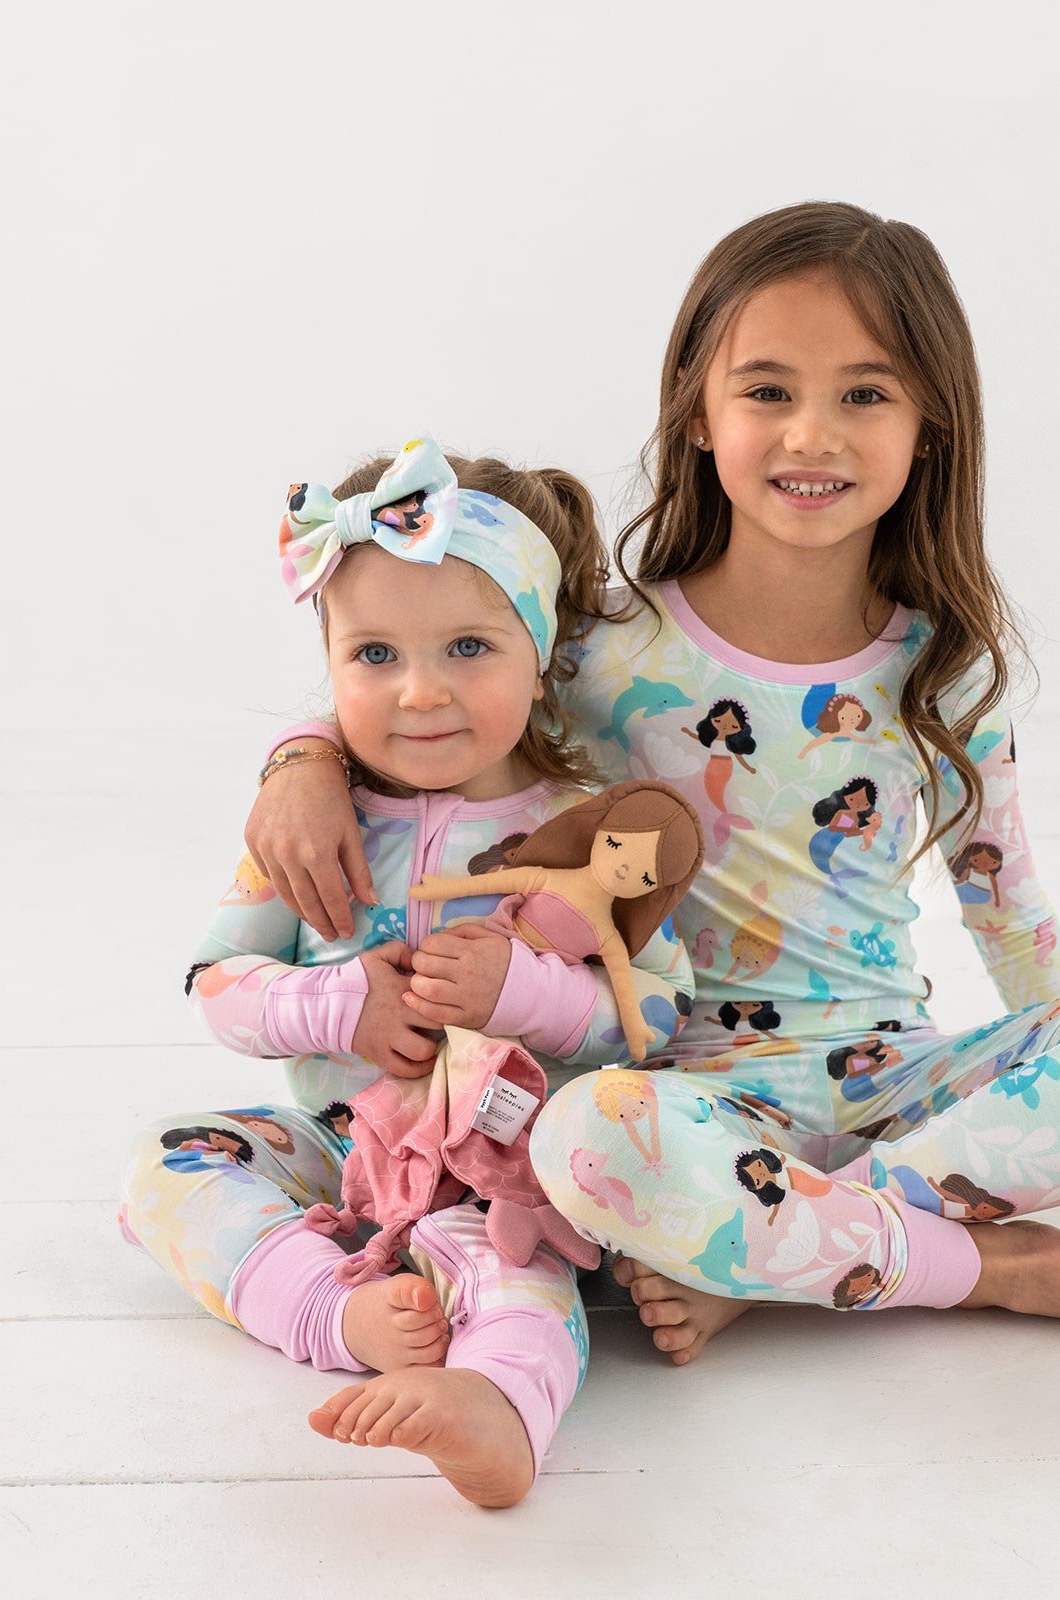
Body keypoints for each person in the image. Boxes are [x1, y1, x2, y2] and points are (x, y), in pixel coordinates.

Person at [243, 202, 1060, 1369]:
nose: (814, 434)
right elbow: (430, 692)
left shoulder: (938, 669)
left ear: (928, 428)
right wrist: (302, 758)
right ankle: (1006, 1270)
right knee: (583, 1136)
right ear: (698, 413)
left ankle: (779, 1255)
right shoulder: (601, 646)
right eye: (767, 391)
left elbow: (1010, 914)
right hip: (685, 1095)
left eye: (864, 393)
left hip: (900, 1077)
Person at [119, 438, 692, 1506]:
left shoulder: (580, 832)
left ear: (543, 648)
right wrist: (340, 1000)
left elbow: (656, 1012)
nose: (418, 692)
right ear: (329, 660)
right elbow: (215, 983)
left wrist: (522, 995)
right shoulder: (314, 827)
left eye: (468, 646)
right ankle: (332, 1311)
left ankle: (500, 1404)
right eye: (373, 654)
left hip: (500, 1165)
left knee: (519, 1261)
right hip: (343, 1145)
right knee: (167, 1166)